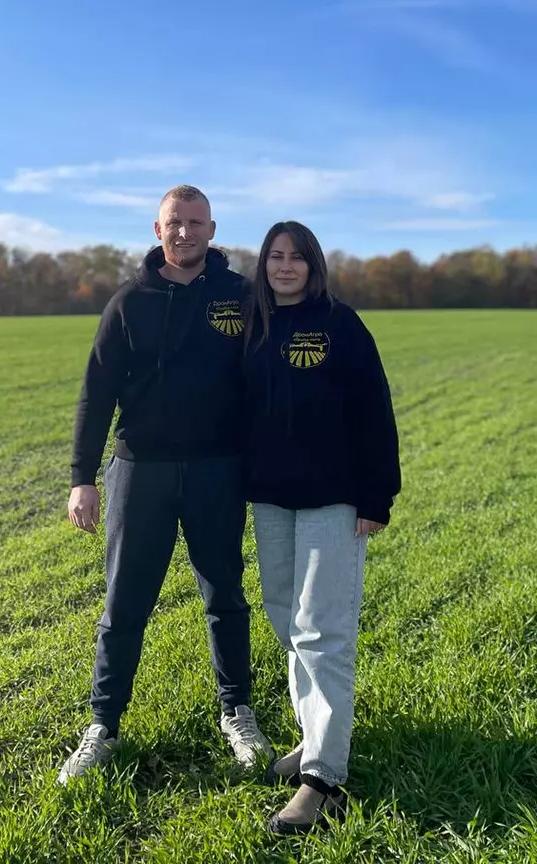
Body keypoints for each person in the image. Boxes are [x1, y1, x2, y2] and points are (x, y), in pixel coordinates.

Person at [58, 185, 272, 785]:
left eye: (196, 223)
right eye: (175, 222)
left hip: (216, 469)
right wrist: (82, 479)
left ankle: (237, 713)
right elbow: (96, 393)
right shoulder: (129, 302)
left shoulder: (240, 296)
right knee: (124, 602)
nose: (185, 232)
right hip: (140, 470)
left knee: (225, 596)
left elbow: (270, 374)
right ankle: (103, 726)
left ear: (212, 230)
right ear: (158, 230)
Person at [242, 222, 401, 834]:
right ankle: (314, 738)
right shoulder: (255, 325)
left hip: (333, 500)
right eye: (275, 257)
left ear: (313, 265)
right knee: (287, 620)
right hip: (272, 500)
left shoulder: (341, 324)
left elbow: (374, 409)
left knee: (322, 630)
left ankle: (323, 779)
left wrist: (376, 495)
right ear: (264, 264)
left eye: (297, 257)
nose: (285, 267)